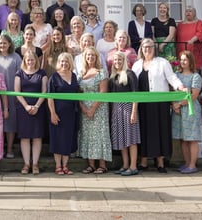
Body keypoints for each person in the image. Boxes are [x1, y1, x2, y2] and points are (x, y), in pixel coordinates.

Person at [132, 38, 186, 173]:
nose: (147, 49)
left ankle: (160, 162)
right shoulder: (136, 65)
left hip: (159, 104)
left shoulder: (163, 63)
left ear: (154, 48)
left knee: (160, 131)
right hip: (143, 105)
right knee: (144, 131)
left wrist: (180, 87)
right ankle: (143, 161)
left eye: (150, 46)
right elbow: (132, 83)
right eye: (145, 47)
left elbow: (172, 78)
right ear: (141, 49)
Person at [77, 46, 112, 174]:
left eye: (93, 55)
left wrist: (92, 109)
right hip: (84, 109)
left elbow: (103, 92)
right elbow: (78, 93)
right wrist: (84, 108)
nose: (90, 57)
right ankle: (91, 164)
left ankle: (102, 165)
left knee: (100, 135)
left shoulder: (101, 72)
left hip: (99, 109)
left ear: (96, 57)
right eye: (88, 55)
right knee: (88, 136)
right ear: (85, 58)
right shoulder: (81, 74)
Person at [14, 50, 48, 175]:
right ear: (24, 61)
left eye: (32, 59)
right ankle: (26, 164)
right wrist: (26, 106)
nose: (30, 62)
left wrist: (37, 106)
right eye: (28, 60)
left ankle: (35, 164)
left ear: (36, 60)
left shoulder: (42, 73)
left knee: (37, 137)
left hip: (38, 107)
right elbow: (17, 91)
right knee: (25, 137)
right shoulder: (19, 73)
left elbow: (44, 91)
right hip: (23, 108)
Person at [108, 51, 141, 176]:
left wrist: (133, 112)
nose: (117, 62)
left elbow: (135, 94)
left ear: (124, 61)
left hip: (128, 109)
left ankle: (133, 166)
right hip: (117, 110)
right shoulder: (113, 77)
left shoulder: (130, 74)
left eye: (119, 60)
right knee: (122, 139)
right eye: (115, 60)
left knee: (131, 139)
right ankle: (125, 165)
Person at [48, 52, 80, 175]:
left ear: (70, 63)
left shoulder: (73, 76)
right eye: (62, 61)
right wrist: (53, 113)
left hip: (72, 113)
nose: (64, 63)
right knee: (58, 138)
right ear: (59, 63)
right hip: (58, 112)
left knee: (68, 139)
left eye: (66, 61)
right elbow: (49, 97)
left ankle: (65, 165)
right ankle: (58, 166)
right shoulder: (54, 77)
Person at [172, 51, 202, 174]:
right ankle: (186, 163)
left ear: (190, 61)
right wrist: (174, 105)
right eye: (181, 59)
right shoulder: (176, 75)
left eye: (185, 59)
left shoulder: (196, 76)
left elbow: (194, 95)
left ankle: (192, 164)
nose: (182, 62)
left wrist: (180, 104)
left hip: (190, 110)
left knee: (192, 138)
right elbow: (173, 91)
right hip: (177, 110)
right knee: (182, 139)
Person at [0, 34, 22, 159]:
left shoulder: (16, 57)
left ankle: (9, 149)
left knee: (10, 123)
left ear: (9, 44)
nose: (2, 45)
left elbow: (21, 75)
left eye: (5, 43)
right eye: (0, 43)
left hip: (11, 93)